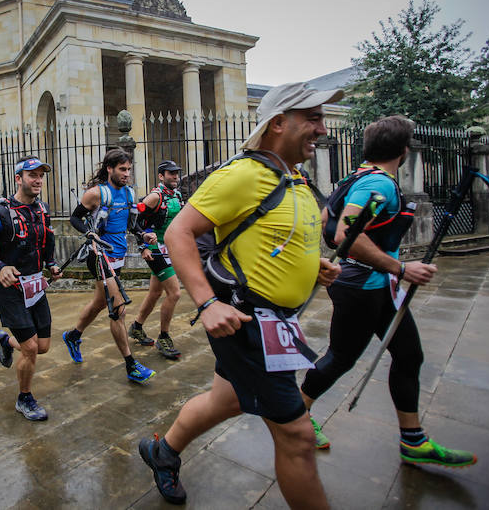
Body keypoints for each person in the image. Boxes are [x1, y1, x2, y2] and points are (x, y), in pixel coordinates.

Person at [137, 82, 343, 507]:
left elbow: (282, 238)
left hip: (275, 323)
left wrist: (311, 268)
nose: (322, 129)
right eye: (313, 118)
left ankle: (163, 453)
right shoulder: (243, 174)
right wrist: (207, 303)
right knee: (298, 437)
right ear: (279, 123)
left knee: (225, 399)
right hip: (248, 321)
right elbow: (179, 233)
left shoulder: (295, 180)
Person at [300, 115, 477, 467]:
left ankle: (413, 440)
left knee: (409, 355)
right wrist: (401, 267)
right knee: (341, 358)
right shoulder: (375, 185)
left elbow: (324, 219)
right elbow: (343, 235)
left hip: (378, 286)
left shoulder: (357, 176)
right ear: (404, 150)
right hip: (362, 287)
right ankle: (297, 415)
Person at [0, 156, 63, 420]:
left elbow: (45, 243)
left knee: (42, 346)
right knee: (31, 348)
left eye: (41, 175)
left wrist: (52, 265)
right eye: (32, 175)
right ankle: (25, 398)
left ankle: (6, 341)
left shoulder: (42, 209)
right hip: (10, 289)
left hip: (35, 285)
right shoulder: (0, 213)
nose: (38, 180)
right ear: (18, 178)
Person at [63, 148, 155, 384]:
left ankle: (73, 336)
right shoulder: (96, 194)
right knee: (118, 310)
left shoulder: (129, 194)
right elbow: (74, 218)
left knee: (99, 302)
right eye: (122, 169)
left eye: (129, 170)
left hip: (119, 256)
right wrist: (90, 233)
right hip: (100, 256)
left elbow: (133, 225)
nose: (126, 174)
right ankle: (131, 365)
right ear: (110, 169)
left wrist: (143, 237)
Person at [128, 160, 185, 359]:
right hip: (154, 249)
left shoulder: (177, 194)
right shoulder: (154, 197)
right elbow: (133, 220)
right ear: (161, 176)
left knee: (155, 292)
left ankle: (136, 327)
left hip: (168, 248)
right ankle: (164, 337)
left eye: (177, 173)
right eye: (171, 174)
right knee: (175, 293)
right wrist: (143, 245)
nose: (175, 177)